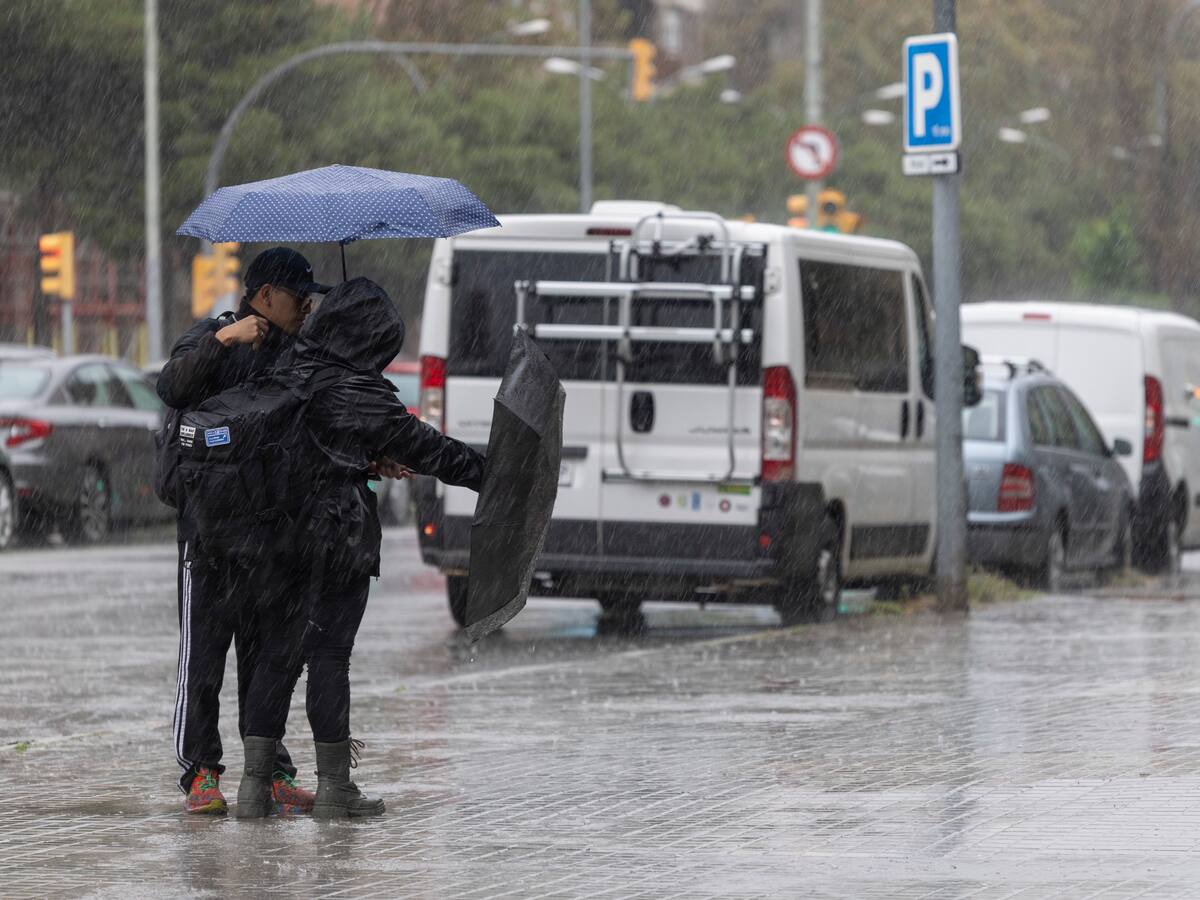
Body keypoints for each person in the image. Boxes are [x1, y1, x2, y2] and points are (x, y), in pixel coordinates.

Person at [232, 277, 485, 819]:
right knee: (327, 657)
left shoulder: (284, 370)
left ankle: (253, 789)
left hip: (273, 536)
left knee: (276, 656)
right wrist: (492, 473)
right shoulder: (358, 391)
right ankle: (334, 788)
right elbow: (429, 449)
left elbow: (306, 446)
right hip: (334, 537)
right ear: (370, 340)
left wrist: (361, 458)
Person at [158, 247, 332, 814]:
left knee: (267, 662)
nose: (306, 307)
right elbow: (173, 386)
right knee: (203, 659)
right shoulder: (212, 340)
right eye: (298, 297)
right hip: (206, 535)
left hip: (270, 535)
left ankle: (271, 769)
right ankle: (201, 774)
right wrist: (226, 340)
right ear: (265, 297)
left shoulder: (299, 356)